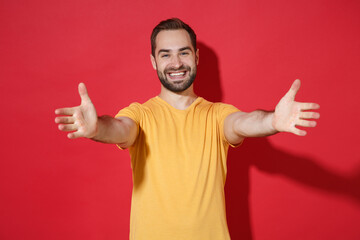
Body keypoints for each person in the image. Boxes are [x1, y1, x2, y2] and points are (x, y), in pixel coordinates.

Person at [55, 18, 320, 240]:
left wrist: (273, 121)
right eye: (165, 54)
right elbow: (120, 128)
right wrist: (96, 128)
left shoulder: (217, 115)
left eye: (183, 52)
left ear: (196, 56)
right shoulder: (140, 114)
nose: (176, 63)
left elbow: (244, 122)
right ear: (153, 62)